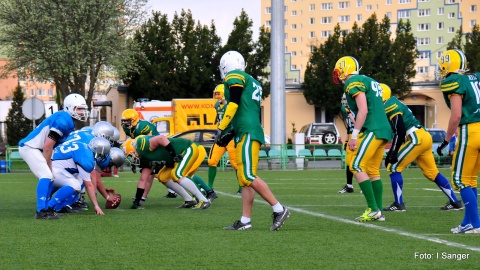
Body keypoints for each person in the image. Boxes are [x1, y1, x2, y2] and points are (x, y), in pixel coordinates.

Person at [216, 50, 290, 231]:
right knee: (244, 179)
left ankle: (279, 209)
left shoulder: (235, 76)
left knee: (248, 175)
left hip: (248, 132)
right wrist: (231, 132)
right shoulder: (252, 81)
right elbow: (245, 110)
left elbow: (233, 104)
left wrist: (221, 127)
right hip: (246, 131)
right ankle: (245, 220)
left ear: (226, 65)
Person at [380, 83, 463, 212]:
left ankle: (398, 204)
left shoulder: (389, 105)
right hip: (424, 136)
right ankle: (455, 202)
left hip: (416, 138)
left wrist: (393, 151)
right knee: (432, 173)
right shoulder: (393, 102)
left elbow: (400, 131)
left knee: (393, 166)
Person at [332, 56, 393, 222]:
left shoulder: (353, 82)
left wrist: (354, 135)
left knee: (356, 165)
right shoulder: (369, 80)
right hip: (383, 129)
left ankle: (373, 209)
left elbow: (364, 110)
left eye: (339, 69)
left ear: (345, 68)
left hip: (372, 129)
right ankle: (379, 212)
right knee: (372, 170)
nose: (338, 73)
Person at [19, 93, 89, 219]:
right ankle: (41, 211)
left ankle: (46, 208)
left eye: (83, 109)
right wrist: (47, 165)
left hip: (38, 149)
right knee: (46, 175)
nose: (82, 112)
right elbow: (47, 146)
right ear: (69, 107)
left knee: (50, 176)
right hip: (30, 147)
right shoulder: (63, 120)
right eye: (79, 109)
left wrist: (49, 164)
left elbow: (50, 147)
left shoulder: (68, 120)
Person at [436, 49, 480, 233]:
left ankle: (475, 224)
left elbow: (456, 116)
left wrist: (446, 140)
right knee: (470, 180)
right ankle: (467, 221)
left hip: (470, 131)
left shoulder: (454, 81)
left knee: (460, 180)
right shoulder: (475, 78)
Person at [128, 135, 212, 210]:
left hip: (185, 149)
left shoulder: (144, 144)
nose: (133, 158)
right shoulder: (144, 158)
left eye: (132, 154)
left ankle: (204, 200)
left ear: (135, 147)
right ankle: (189, 200)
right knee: (163, 177)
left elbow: (161, 138)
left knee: (177, 174)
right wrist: (137, 200)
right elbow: (143, 180)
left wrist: (173, 155)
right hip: (172, 160)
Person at [121, 109, 177, 206]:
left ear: (134, 119)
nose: (125, 122)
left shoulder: (144, 127)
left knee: (156, 174)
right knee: (152, 174)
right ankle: (142, 197)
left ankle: (143, 197)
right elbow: (133, 141)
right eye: (124, 120)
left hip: (154, 149)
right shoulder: (127, 128)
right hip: (143, 150)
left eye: (127, 120)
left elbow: (148, 142)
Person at [47, 137, 112, 216]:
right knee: (75, 185)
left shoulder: (83, 145)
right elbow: (89, 185)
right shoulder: (87, 158)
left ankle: (56, 203)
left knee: (79, 178)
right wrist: (96, 206)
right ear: (99, 151)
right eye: (103, 154)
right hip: (52, 168)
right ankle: (49, 207)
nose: (103, 156)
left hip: (50, 165)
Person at [208, 84, 239, 195]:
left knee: (235, 164)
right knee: (212, 161)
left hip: (230, 137)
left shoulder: (231, 105)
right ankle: (209, 188)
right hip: (221, 137)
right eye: (215, 94)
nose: (216, 96)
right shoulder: (217, 105)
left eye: (218, 94)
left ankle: (241, 187)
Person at [338, 93, 356, 194]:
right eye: (344, 99)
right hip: (351, 138)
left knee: (361, 163)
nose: (345, 101)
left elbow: (358, 123)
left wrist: (350, 113)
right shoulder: (345, 110)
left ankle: (365, 185)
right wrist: (346, 140)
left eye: (347, 99)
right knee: (349, 162)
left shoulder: (359, 108)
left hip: (361, 137)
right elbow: (349, 126)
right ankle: (349, 185)